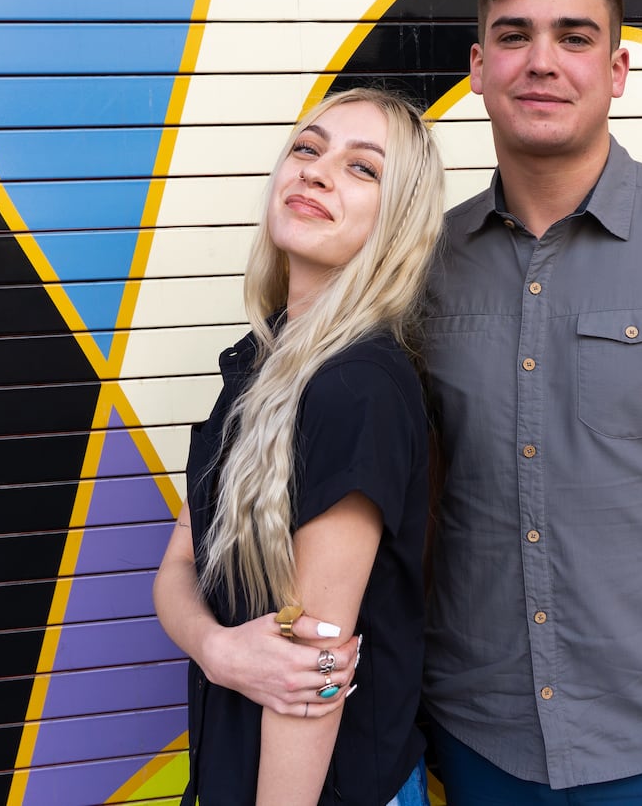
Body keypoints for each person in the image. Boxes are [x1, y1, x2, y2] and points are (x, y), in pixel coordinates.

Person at [165, 0, 642, 806]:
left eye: (575, 37)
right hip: (472, 747)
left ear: (618, 70)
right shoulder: (413, 273)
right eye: (514, 36)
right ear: (479, 69)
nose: (542, 62)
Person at [153, 87, 445, 806]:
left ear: (397, 218)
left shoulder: (356, 389)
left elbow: (312, 674)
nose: (316, 171)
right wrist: (219, 651)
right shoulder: (262, 362)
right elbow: (179, 566)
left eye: (362, 167)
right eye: (308, 149)